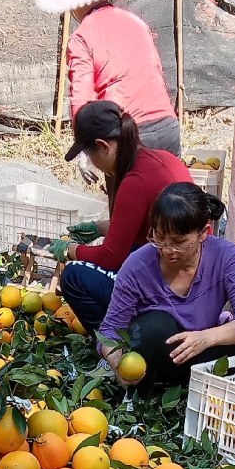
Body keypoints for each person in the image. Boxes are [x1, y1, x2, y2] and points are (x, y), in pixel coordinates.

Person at [97, 181, 235, 388]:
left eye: (179, 241)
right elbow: (110, 330)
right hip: (154, 360)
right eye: (159, 237)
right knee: (155, 326)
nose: (167, 249)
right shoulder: (137, 266)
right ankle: (144, 395)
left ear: (203, 233)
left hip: (202, 355)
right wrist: (118, 363)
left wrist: (206, 338)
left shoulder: (225, 256)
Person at [53, 101, 193, 332]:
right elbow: (145, 228)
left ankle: (117, 342)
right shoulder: (163, 158)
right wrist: (99, 228)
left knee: (74, 277)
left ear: (103, 146)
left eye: (89, 153)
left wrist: (71, 250)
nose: (92, 163)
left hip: (170, 287)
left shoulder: (134, 182)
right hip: (183, 270)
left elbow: (111, 257)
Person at [35, 0, 181, 154]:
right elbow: (155, 70)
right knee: (171, 185)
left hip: (127, 135)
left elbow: (82, 100)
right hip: (168, 127)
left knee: (129, 186)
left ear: (77, 1)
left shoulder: (81, 37)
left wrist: (85, 147)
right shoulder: (136, 23)